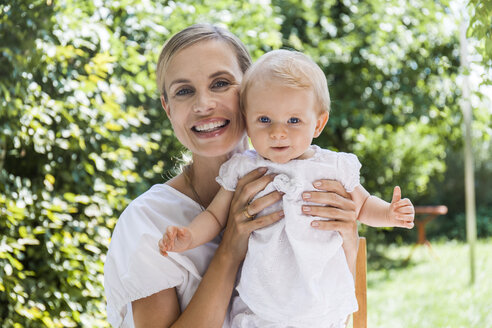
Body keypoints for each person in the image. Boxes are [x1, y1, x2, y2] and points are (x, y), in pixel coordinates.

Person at [104, 24, 365, 328]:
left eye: (220, 83)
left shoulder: (306, 181)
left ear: (248, 92)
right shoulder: (149, 222)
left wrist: (347, 238)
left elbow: (330, 311)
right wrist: (229, 249)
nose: (203, 104)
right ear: (168, 108)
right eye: (184, 91)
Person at [159, 49, 415, 327]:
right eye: (264, 120)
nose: (278, 132)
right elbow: (215, 216)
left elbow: (362, 206)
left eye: (293, 121)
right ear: (247, 119)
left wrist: (389, 214)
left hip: (323, 302)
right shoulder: (244, 169)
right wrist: (189, 236)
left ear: (318, 123)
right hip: (261, 306)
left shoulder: (333, 166)